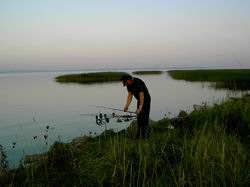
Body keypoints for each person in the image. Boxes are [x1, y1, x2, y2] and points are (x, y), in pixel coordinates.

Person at [121, 74, 151, 138]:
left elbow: (141, 95)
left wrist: (140, 108)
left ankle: (145, 135)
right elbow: (130, 95)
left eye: (125, 82)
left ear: (128, 80)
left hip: (146, 99)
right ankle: (139, 134)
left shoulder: (138, 82)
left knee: (144, 116)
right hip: (139, 100)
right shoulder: (128, 85)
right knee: (139, 116)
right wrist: (126, 106)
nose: (125, 84)